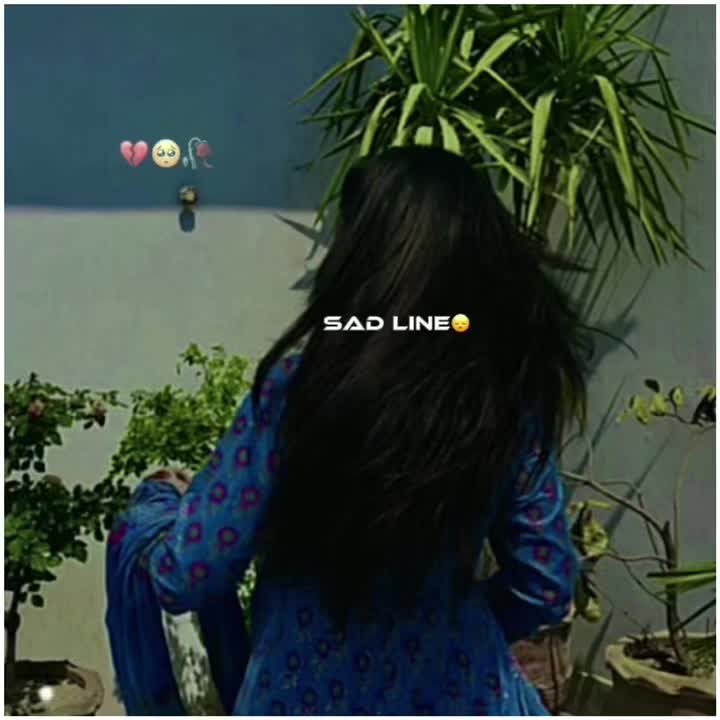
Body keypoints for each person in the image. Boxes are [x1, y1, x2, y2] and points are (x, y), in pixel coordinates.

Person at [106, 146, 590, 715]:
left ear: (360, 256)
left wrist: (159, 507)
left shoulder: (298, 390)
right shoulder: (505, 400)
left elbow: (190, 572)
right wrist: (443, 626)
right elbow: (546, 583)